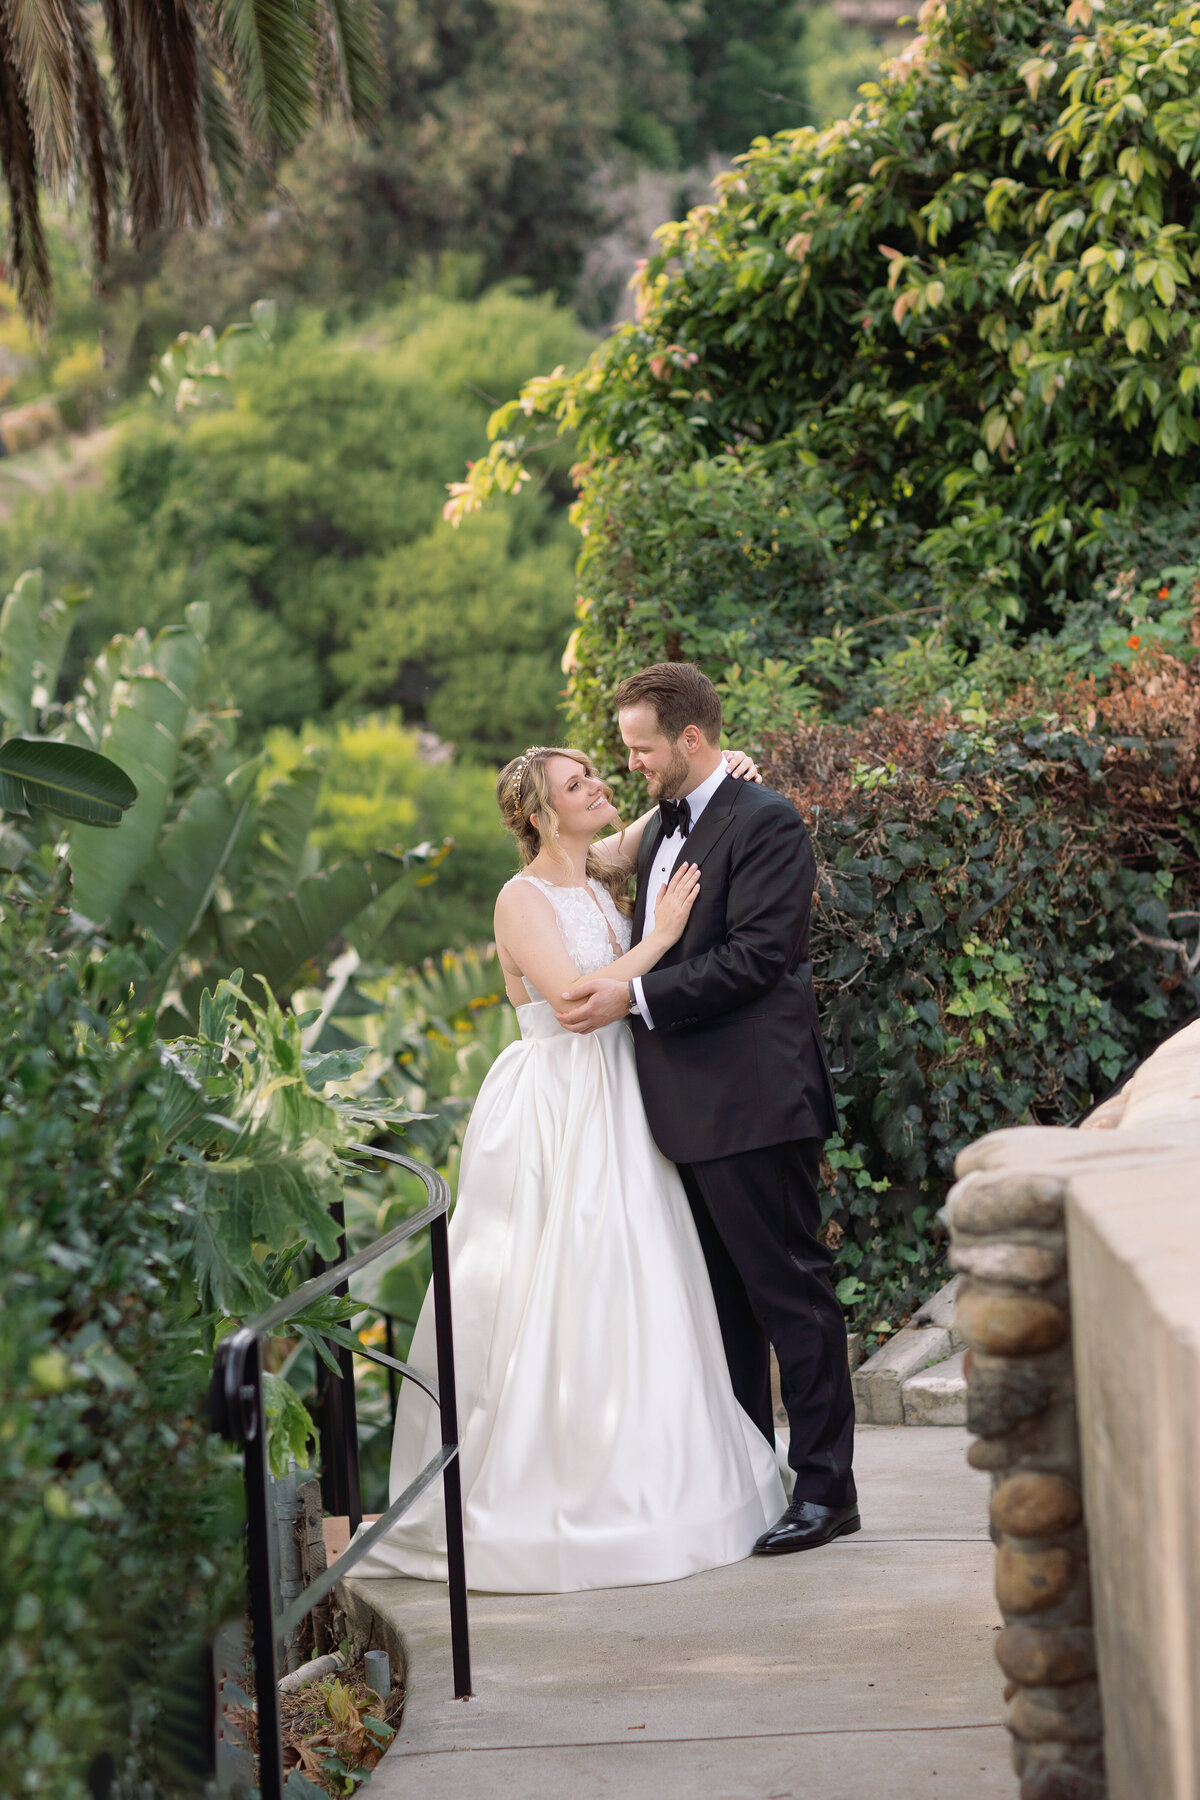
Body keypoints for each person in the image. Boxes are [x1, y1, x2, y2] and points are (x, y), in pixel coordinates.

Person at [351, 741, 787, 1594]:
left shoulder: (597, 872)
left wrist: (725, 767)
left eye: (595, 773)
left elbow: (668, 815)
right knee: (556, 1282)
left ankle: (659, 1478)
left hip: (623, 1098)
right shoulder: (522, 898)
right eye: (578, 782)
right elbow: (577, 1005)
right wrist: (660, 935)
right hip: (557, 1100)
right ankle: (548, 1488)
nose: (600, 786)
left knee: (643, 1280)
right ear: (540, 814)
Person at [558, 662, 857, 1555]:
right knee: (720, 1308)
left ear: (691, 739)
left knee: (787, 1293)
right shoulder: (661, 834)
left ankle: (827, 1491)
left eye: (643, 749)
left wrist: (632, 1003)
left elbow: (759, 959)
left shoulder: (766, 821)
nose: (635, 765)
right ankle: (746, 1479)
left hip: (755, 1102)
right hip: (680, 1111)